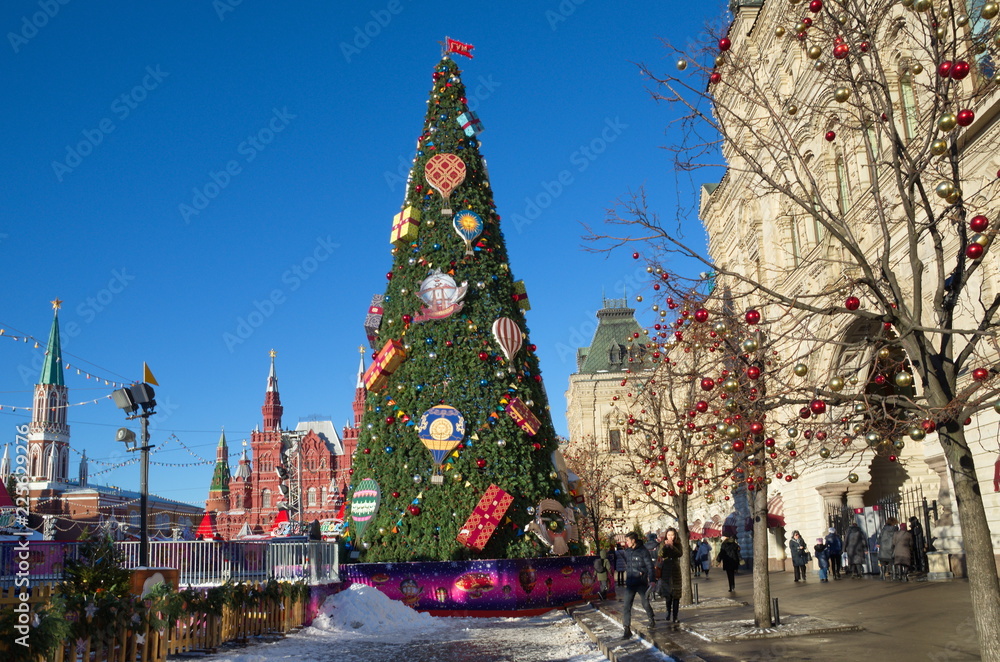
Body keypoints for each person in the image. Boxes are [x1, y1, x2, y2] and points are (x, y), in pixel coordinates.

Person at [620, 531, 656, 639]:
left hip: (641, 582)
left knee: (645, 603)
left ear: (633, 540)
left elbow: (650, 566)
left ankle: (651, 618)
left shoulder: (643, 551)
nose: (626, 543)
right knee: (626, 605)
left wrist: (651, 579)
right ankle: (627, 629)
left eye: (627, 540)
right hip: (630, 583)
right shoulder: (628, 551)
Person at [658, 527, 684, 624]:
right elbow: (660, 554)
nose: (670, 537)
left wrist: (673, 547)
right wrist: (665, 547)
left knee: (676, 595)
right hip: (666, 571)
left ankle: (675, 616)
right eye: (669, 535)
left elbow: (680, 554)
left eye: (672, 535)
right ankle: (668, 612)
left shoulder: (678, 544)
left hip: (676, 571)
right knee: (668, 595)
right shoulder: (662, 543)